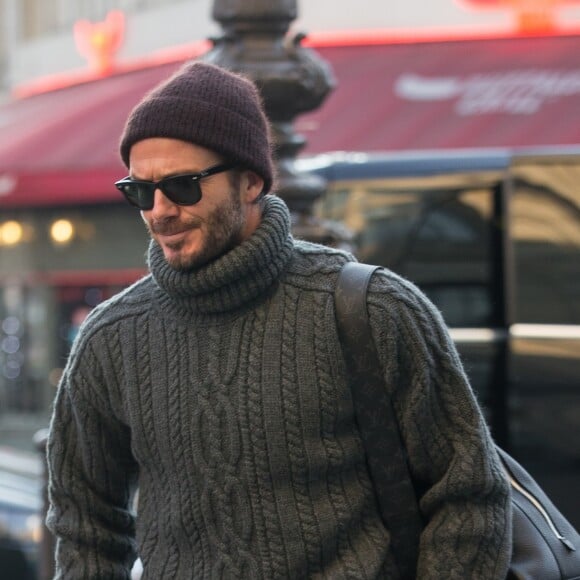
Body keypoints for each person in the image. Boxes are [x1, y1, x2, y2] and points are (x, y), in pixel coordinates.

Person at [46, 61, 512, 579]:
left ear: (249, 182)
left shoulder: (374, 308)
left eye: (181, 186)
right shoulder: (112, 338)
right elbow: (84, 523)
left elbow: (469, 496)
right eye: (138, 190)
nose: (158, 210)